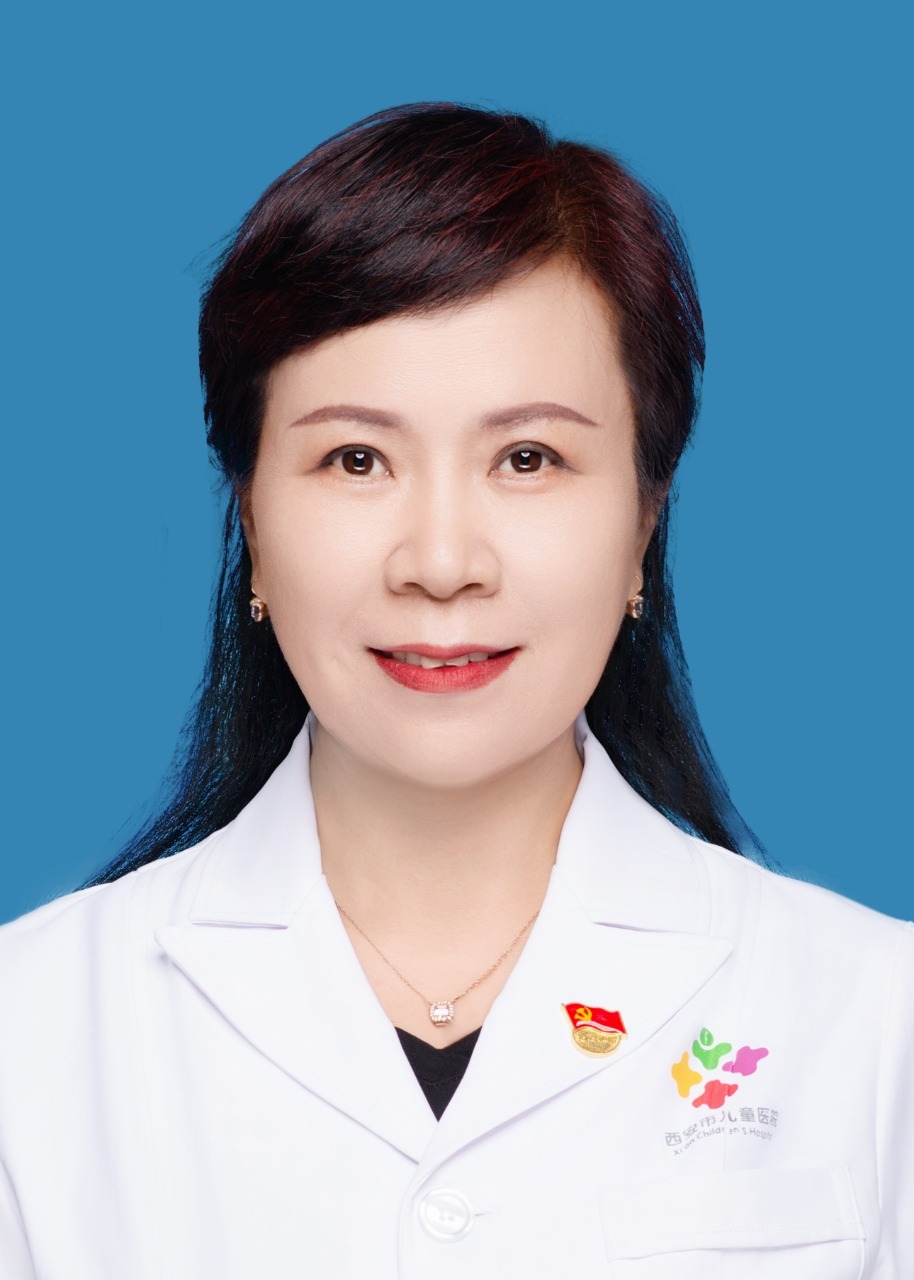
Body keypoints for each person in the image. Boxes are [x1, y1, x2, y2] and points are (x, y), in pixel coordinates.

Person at [0, 103, 910, 1278]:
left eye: (527, 458)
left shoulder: (870, 1021)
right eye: (355, 458)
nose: (440, 561)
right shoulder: (32, 1031)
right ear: (252, 524)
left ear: (642, 522)